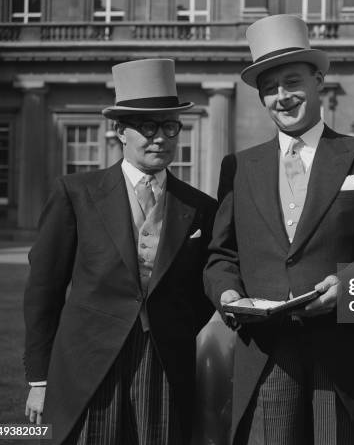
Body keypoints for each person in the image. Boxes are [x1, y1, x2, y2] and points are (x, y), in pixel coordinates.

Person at [204, 14, 354, 445]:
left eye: (292, 82)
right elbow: (222, 255)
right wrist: (227, 294)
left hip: (341, 352)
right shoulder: (238, 167)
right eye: (270, 89)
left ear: (318, 80)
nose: (282, 97)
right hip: (264, 351)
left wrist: (348, 284)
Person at [23, 58, 217, 445]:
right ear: (119, 131)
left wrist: (170, 326)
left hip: (163, 362)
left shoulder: (200, 207)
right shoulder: (75, 193)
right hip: (89, 363)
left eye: (169, 126)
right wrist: (40, 379)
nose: (159, 137)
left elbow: (203, 291)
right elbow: (44, 291)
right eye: (146, 126)